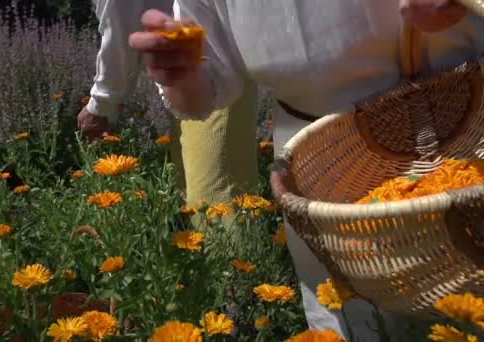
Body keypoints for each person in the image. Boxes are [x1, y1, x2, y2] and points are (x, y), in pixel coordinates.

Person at [129, 0, 484, 339]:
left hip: (462, 128)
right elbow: (209, 84)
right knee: (350, 321)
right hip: (316, 162)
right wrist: (182, 72)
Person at [79, 0, 259, 211]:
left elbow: (120, 25)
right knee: (202, 203)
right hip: (201, 67)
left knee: (216, 205)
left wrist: (101, 104)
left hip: (211, 72)